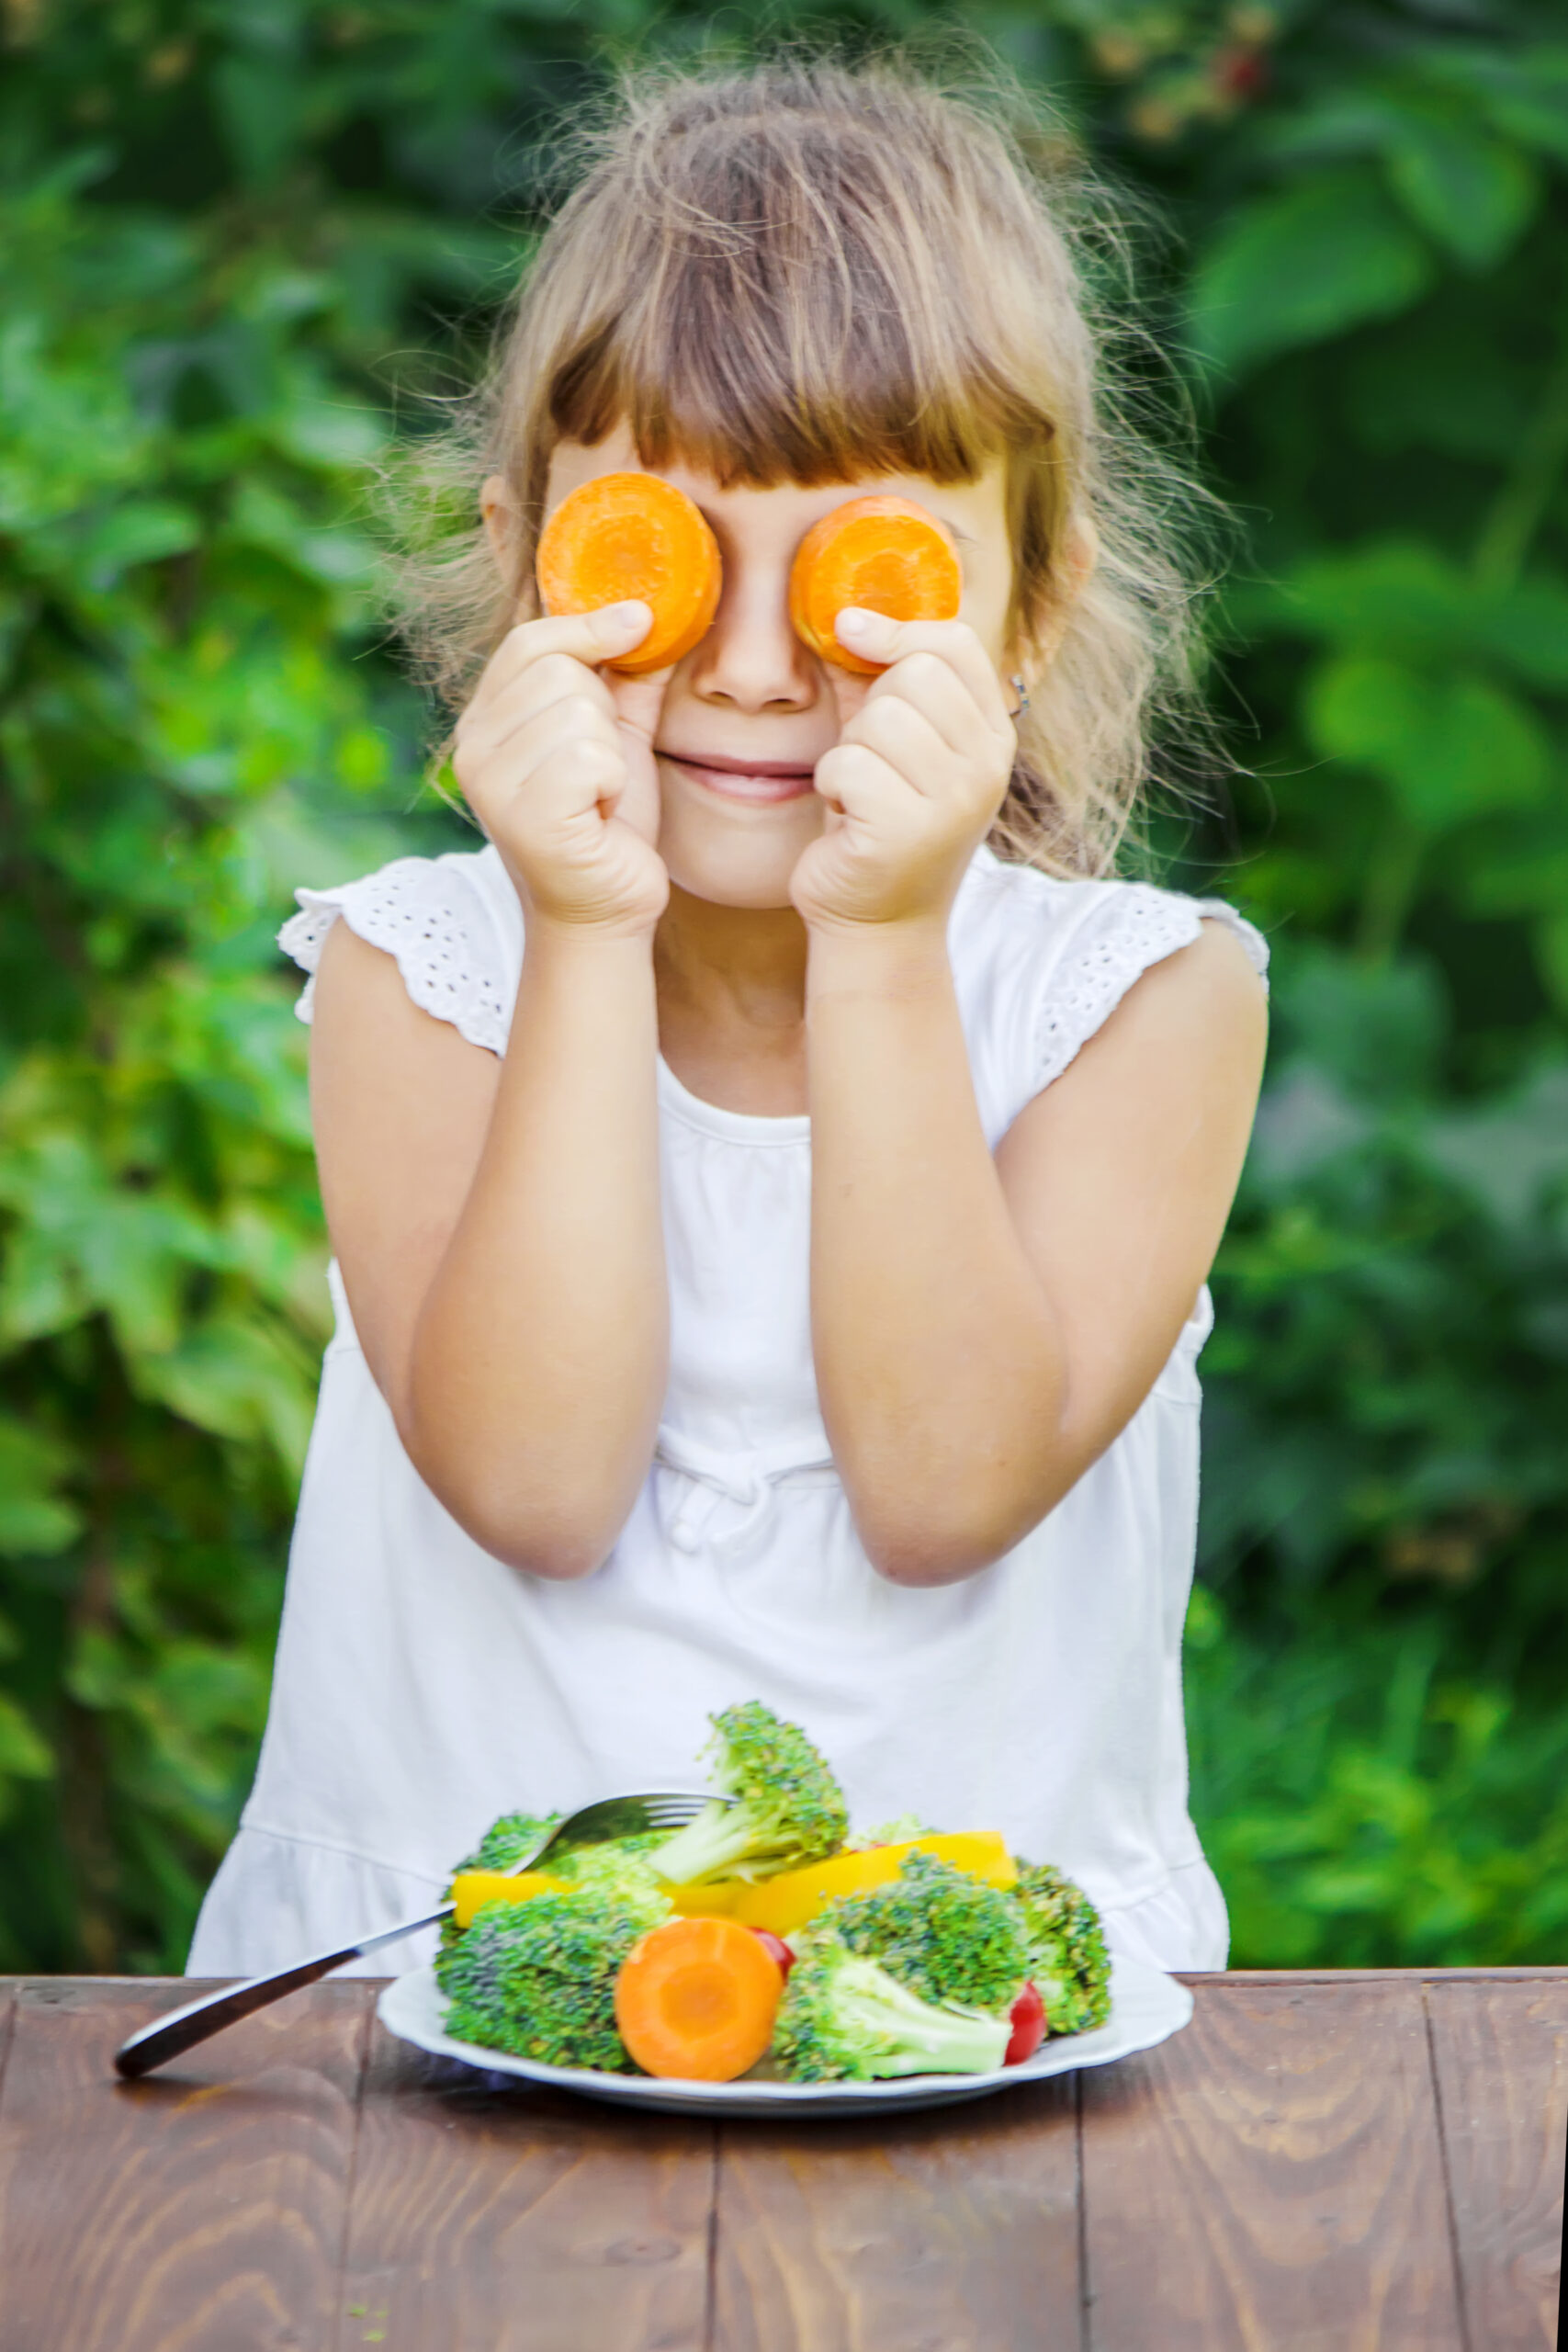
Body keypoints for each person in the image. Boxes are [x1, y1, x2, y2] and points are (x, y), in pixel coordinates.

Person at [188, 56, 1269, 1980]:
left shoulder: (1146, 1004)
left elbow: (941, 1490)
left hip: (975, 2039)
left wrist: (879, 941)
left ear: (1024, 612)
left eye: (868, 578)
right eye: (664, 564)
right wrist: (584, 929)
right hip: (409, 2016)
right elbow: (533, 1485)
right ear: (533, 560)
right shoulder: (416, 974)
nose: (760, 671)